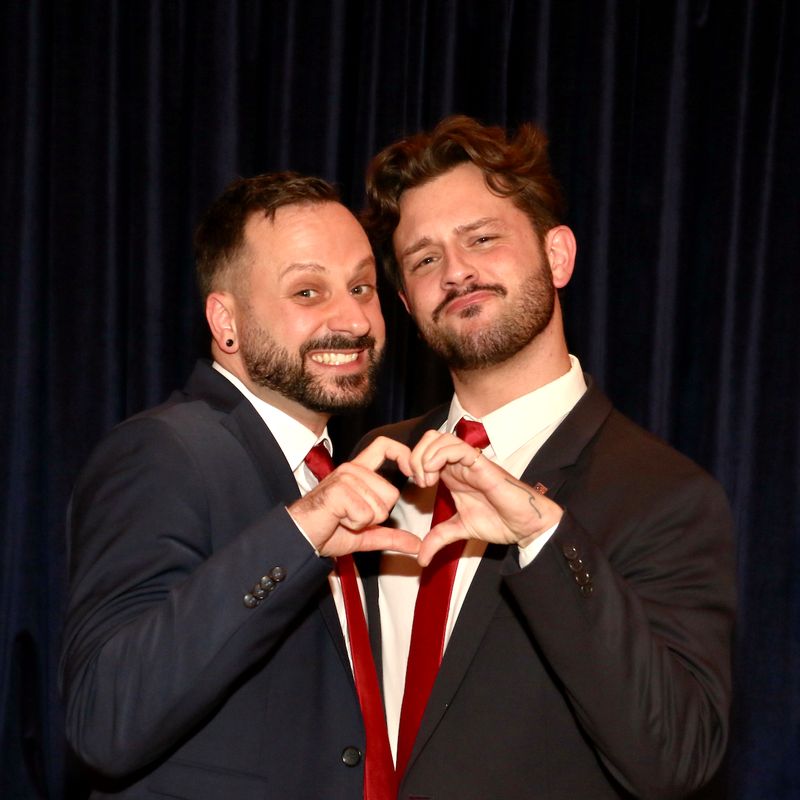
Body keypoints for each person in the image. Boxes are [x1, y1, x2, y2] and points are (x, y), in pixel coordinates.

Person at [360, 116, 736, 799]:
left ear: (557, 256)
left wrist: (543, 537)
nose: (457, 271)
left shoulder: (665, 495)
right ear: (408, 303)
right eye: (424, 259)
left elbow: (675, 757)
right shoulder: (375, 466)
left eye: (482, 239)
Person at [59, 172, 419, 798]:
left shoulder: (354, 473)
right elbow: (104, 719)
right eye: (307, 291)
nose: (354, 318)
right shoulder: (162, 451)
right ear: (226, 322)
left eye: (362, 286)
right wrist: (299, 533)